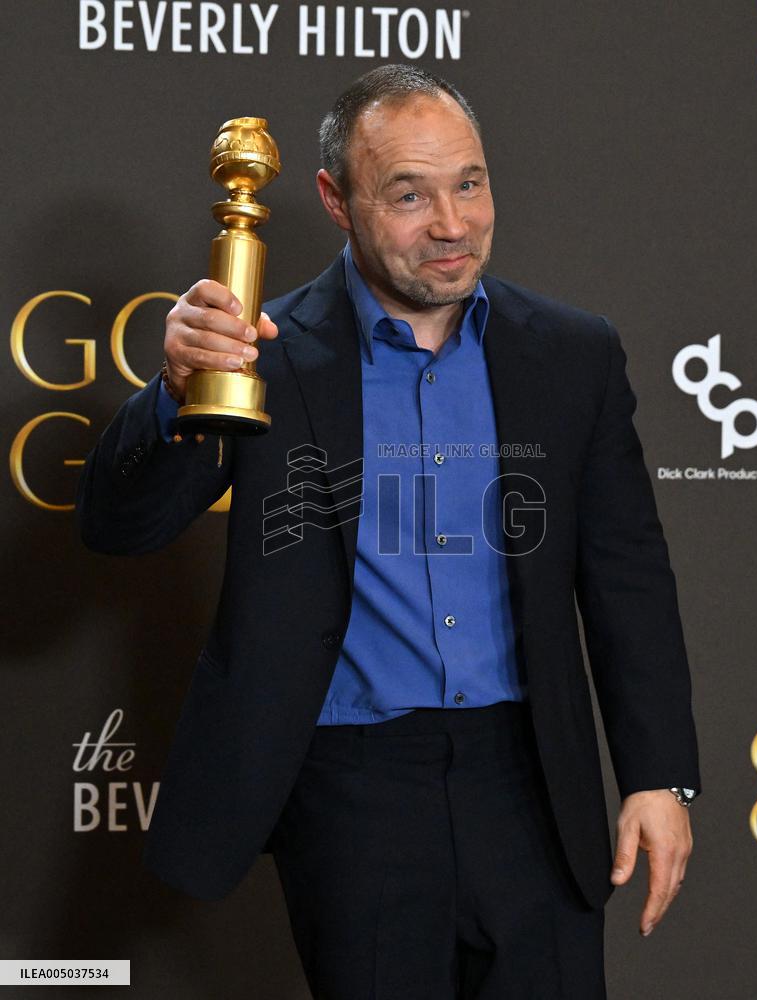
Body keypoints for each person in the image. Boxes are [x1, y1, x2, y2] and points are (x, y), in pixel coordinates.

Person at [76, 64, 701, 999]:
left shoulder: (572, 353)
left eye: (469, 183)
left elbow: (627, 577)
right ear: (335, 199)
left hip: (532, 779)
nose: (451, 224)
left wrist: (658, 777)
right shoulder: (264, 354)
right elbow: (120, 527)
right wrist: (173, 396)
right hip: (350, 791)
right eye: (408, 194)